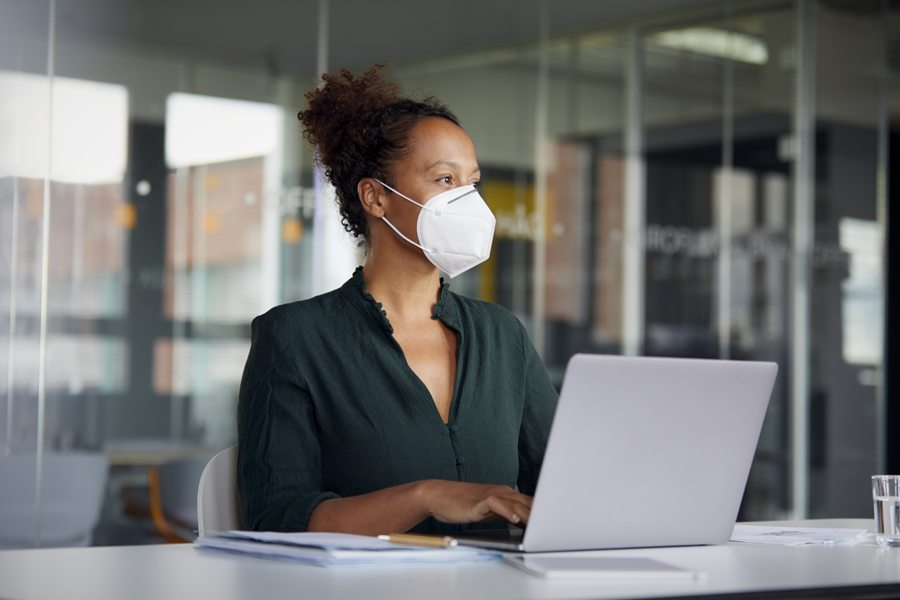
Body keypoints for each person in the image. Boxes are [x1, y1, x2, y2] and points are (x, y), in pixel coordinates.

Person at [237, 64, 558, 536]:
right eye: (444, 180)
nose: (467, 201)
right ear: (375, 197)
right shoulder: (295, 338)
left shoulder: (502, 335)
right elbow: (276, 518)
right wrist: (424, 497)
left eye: (472, 182)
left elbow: (561, 485)